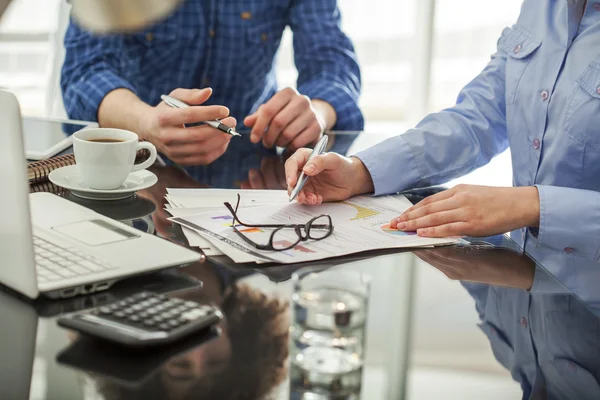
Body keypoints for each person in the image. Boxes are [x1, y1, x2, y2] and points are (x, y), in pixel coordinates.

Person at [285, 0, 600, 259]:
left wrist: (531, 205)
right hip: (519, 288)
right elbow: (479, 117)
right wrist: (359, 172)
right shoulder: (543, 7)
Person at [60, 0, 363, 169]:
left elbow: (332, 61)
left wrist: (317, 113)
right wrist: (145, 121)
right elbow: (85, 70)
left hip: (252, 170)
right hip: (137, 169)